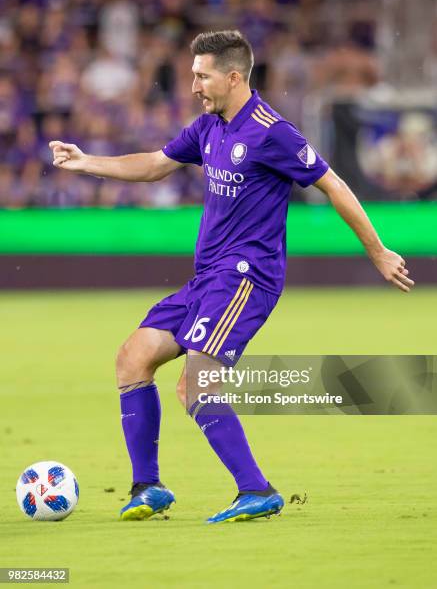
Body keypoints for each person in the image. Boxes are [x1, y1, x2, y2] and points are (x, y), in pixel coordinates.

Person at [49, 30, 414, 525]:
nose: (194, 84)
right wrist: (85, 161)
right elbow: (156, 164)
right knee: (132, 358)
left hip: (247, 278)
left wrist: (377, 251)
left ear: (234, 77)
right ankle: (148, 487)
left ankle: (256, 490)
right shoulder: (208, 126)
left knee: (195, 385)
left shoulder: (271, 132)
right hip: (208, 279)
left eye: (202, 75)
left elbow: (334, 185)